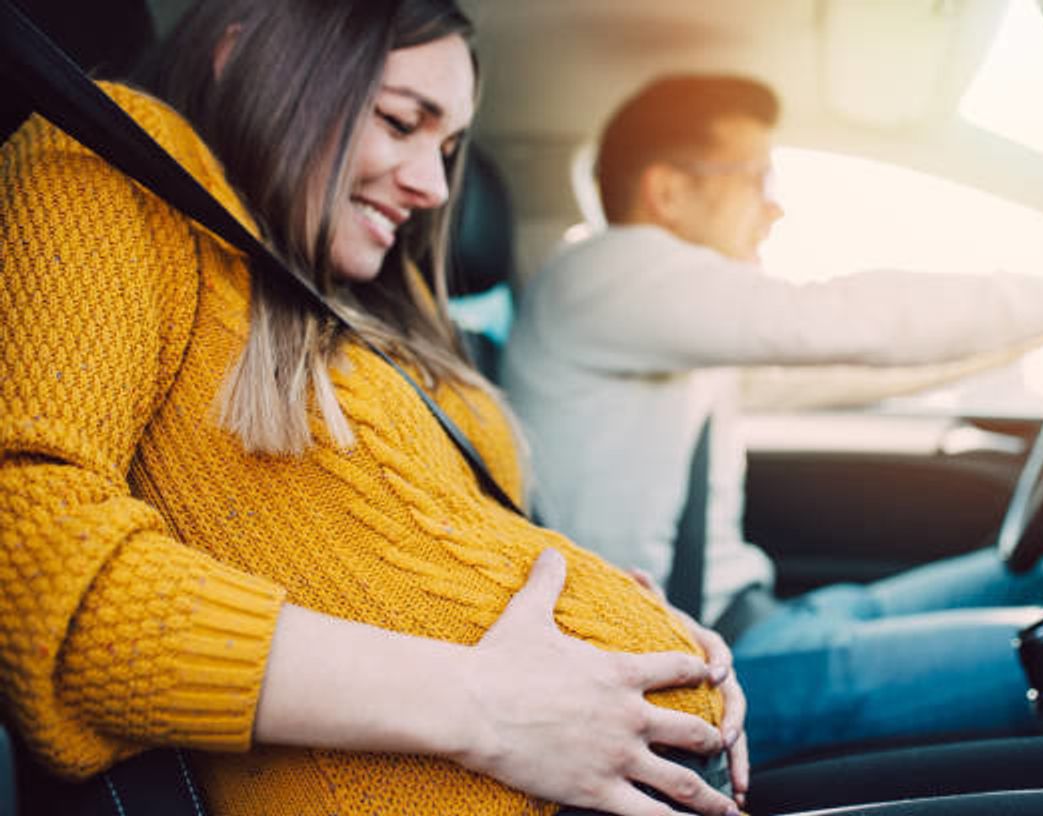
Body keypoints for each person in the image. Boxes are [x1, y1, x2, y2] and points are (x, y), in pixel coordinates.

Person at [0, 4, 751, 815]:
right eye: (401, 122)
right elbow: (29, 558)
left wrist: (639, 617)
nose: (434, 187)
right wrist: (481, 704)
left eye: (449, 147)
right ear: (244, 60)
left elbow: (440, 545)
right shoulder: (115, 162)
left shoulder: (379, 299)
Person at [501, 74, 1043, 764]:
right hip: (694, 677)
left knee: (1034, 577)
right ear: (669, 191)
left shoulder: (659, 322)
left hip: (752, 624)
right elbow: (836, 319)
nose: (775, 209)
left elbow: (857, 360)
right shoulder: (604, 277)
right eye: (755, 177)